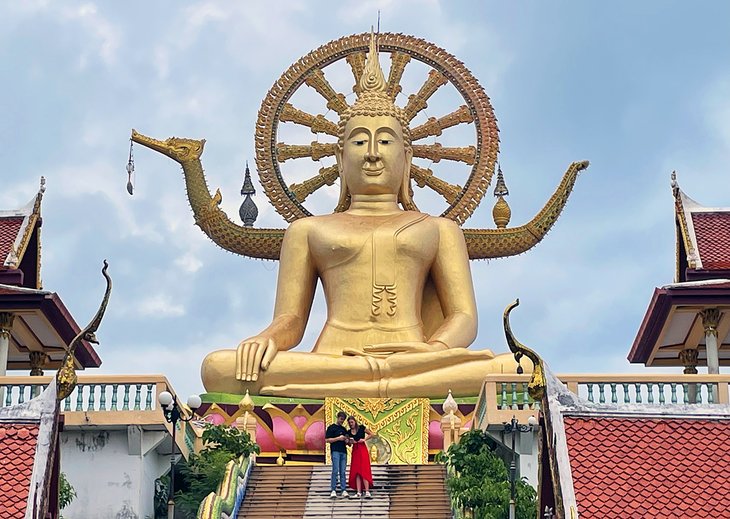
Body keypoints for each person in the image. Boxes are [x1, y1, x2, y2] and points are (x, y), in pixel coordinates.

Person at [200, 31, 525, 399]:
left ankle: (374, 381)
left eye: (385, 141)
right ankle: (382, 381)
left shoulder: (439, 229)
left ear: (407, 156)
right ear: (340, 158)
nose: (372, 153)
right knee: (218, 367)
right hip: (334, 358)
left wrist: (433, 351)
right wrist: (264, 340)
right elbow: (290, 320)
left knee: (518, 368)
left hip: (417, 357)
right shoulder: (307, 230)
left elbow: (464, 318)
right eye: (358, 141)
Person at [346, 416, 374, 499]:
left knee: (364, 469)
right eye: (349, 423)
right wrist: (349, 442)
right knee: (356, 471)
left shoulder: (361, 428)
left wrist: (364, 439)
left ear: (355, 421)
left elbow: (371, 434)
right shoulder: (349, 432)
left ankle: (367, 491)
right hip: (355, 450)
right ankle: (358, 491)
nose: (351, 424)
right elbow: (349, 444)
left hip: (362, 448)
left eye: (352, 422)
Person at [325, 411, 349, 498]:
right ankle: (333, 489)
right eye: (341, 419)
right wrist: (338, 438)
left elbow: (348, 442)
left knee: (342, 471)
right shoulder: (331, 427)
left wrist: (347, 440)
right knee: (335, 470)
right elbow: (327, 440)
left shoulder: (344, 429)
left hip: (343, 451)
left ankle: (343, 489)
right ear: (338, 418)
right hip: (335, 451)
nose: (342, 421)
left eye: (343, 420)